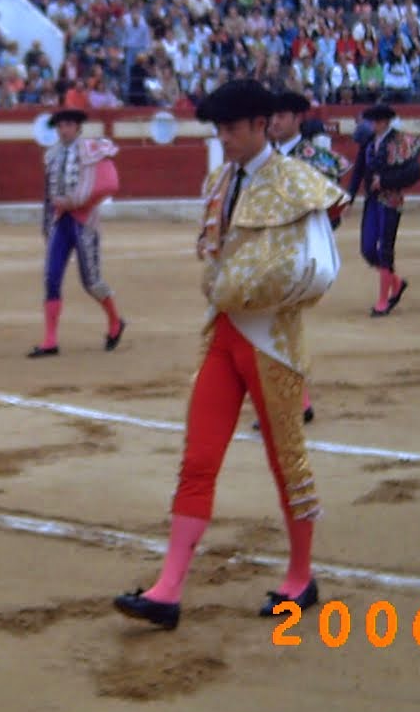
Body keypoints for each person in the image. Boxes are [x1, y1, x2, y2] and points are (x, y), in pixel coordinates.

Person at [113, 79, 341, 630]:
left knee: (286, 461)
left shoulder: (299, 182)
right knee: (198, 458)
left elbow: (319, 270)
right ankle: (167, 590)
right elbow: (212, 259)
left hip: (273, 343)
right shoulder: (219, 180)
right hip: (222, 336)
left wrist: (245, 289)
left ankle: (301, 576)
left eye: (233, 128)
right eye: (219, 128)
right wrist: (227, 291)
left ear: (262, 125)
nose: (225, 138)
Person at [263, 90, 354, 425]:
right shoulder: (265, 158)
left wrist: (314, 230)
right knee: (278, 325)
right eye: (271, 116)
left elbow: (336, 206)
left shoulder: (316, 158)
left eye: (282, 116)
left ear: (297, 119)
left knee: (277, 324)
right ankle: (296, 401)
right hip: (269, 251)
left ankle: (292, 401)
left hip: (300, 253)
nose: (274, 121)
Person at [33, 107, 127, 357]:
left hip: (85, 221)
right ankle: (50, 341)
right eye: (60, 126)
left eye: (68, 125)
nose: (64, 130)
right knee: (51, 278)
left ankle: (116, 322)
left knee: (91, 281)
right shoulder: (51, 155)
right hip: (60, 222)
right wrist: (46, 224)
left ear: (77, 127)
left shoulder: (92, 149)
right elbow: (47, 195)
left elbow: (110, 183)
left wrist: (79, 201)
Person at [347, 103, 420, 316]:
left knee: (385, 249)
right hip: (372, 200)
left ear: (384, 122)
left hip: (391, 200)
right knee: (368, 249)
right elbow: (359, 171)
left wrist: (386, 181)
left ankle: (383, 301)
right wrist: (349, 198)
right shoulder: (369, 142)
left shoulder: (400, 141)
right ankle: (396, 283)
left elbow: (413, 172)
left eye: (374, 121)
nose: (371, 124)